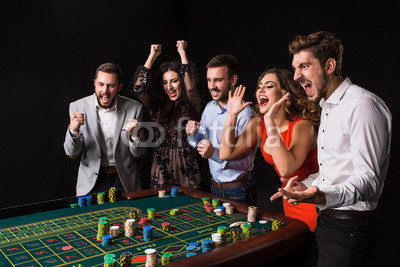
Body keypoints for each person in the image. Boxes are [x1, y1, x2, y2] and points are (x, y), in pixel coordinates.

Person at [270, 31, 392, 266]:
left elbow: (368, 180)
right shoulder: (327, 106)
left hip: (350, 227)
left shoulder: (362, 105)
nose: (296, 76)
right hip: (326, 221)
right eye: (295, 68)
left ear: (329, 65)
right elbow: (333, 172)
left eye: (304, 66)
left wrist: (321, 195)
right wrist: (304, 185)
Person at [219, 69, 321, 231]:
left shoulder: (303, 125)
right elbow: (226, 153)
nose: (260, 90)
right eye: (259, 87)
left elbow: (286, 169)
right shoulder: (259, 123)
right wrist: (232, 115)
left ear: (285, 94)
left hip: (312, 202)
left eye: (269, 86)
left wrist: (269, 122)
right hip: (289, 201)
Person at [64, 62, 145, 196]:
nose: (105, 91)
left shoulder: (135, 108)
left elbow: (139, 153)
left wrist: (135, 135)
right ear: (95, 83)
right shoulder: (77, 107)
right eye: (101, 84)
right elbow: (71, 153)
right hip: (91, 181)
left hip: (124, 180)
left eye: (111, 85)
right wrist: (73, 131)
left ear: (119, 87)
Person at [186, 54, 257, 205]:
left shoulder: (245, 114)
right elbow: (202, 144)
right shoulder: (209, 108)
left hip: (238, 190)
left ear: (233, 80)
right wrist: (192, 135)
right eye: (209, 80)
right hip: (214, 188)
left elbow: (247, 163)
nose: (212, 86)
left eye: (218, 80)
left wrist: (214, 153)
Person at [132, 41, 202, 189]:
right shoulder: (157, 105)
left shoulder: (192, 103)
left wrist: (182, 52)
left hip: (186, 167)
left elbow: (190, 87)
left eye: (174, 81)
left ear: (181, 82)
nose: (169, 87)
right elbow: (139, 89)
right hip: (161, 167)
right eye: (165, 83)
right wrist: (152, 56)